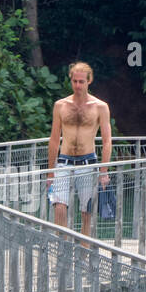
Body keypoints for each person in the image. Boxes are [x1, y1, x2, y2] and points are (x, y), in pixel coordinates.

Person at [46, 61, 112, 237]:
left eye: (81, 81)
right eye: (75, 81)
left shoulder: (100, 107)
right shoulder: (61, 105)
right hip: (64, 161)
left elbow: (107, 141)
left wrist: (103, 171)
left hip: (88, 161)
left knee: (86, 212)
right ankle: (63, 251)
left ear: (89, 81)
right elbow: (54, 140)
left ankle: (83, 254)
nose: (77, 85)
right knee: (59, 207)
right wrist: (50, 171)